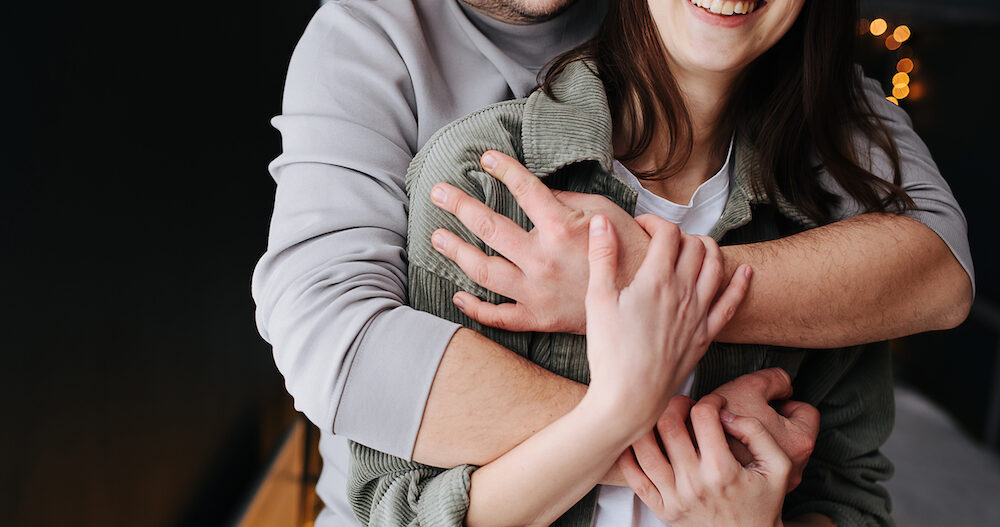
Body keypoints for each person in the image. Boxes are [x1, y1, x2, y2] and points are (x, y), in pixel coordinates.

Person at [251, 0, 973, 525]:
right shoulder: (402, 77)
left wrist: (653, 274)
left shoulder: (799, 152)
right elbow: (337, 341)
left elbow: (936, 265)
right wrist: (669, 443)